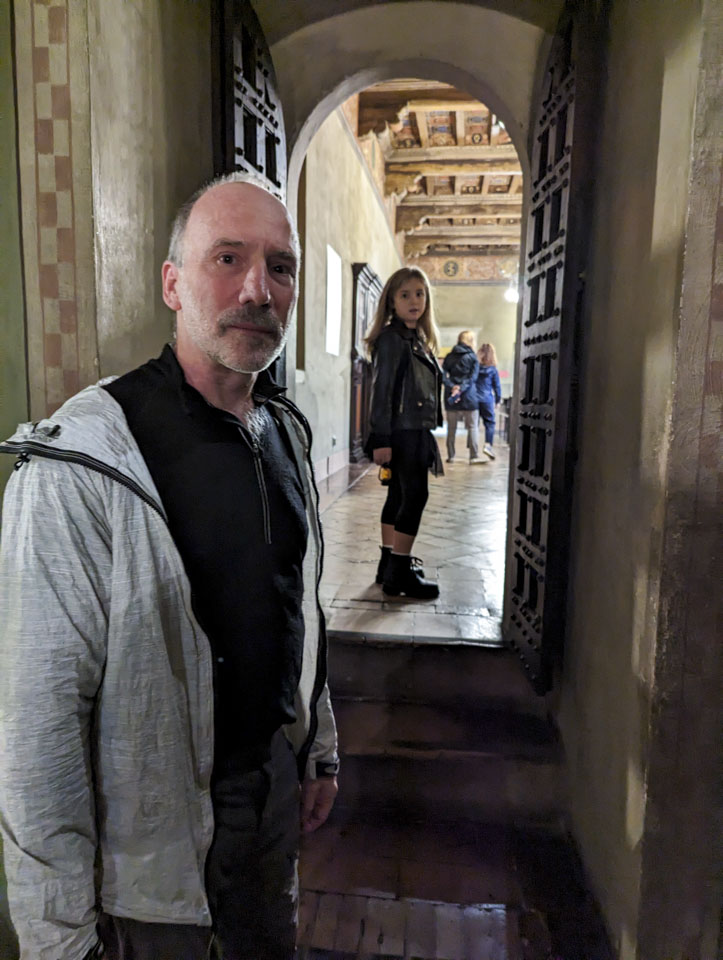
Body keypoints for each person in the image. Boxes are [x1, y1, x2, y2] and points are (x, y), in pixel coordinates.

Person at [0, 173, 339, 960]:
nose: (257, 289)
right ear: (171, 282)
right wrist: (57, 937)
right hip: (152, 861)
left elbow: (298, 606)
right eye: (227, 257)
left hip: (271, 807)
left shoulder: (283, 430)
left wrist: (316, 746)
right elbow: (37, 722)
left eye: (279, 267)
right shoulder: (81, 463)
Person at [364, 267, 443, 601]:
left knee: (397, 497)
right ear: (392, 301)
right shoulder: (392, 339)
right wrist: (381, 439)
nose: (414, 301)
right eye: (406, 294)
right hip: (403, 432)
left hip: (413, 429)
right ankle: (400, 571)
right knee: (414, 497)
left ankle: (388, 565)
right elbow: (381, 392)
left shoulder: (416, 339)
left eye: (420, 294)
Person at [442, 330, 482, 464]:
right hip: (469, 396)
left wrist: (453, 387)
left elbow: (443, 376)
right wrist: (461, 388)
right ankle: (473, 456)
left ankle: (451, 456)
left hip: (451, 396)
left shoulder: (449, 356)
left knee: (451, 428)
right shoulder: (473, 357)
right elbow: (473, 378)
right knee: (472, 427)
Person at [476, 341, 502, 459]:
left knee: (474, 425)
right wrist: (497, 400)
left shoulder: (475, 368)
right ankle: (488, 445)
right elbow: (497, 386)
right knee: (490, 424)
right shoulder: (493, 370)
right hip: (487, 399)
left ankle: (473, 449)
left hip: (474, 399)